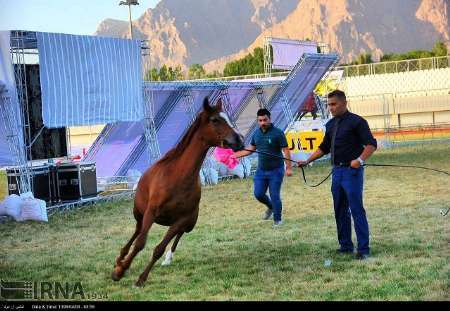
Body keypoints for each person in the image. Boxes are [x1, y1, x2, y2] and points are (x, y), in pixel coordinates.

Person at [298, 90, 377, 260]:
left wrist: (360, 160)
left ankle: (363, 249)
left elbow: (371, 144)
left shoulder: (357, 122)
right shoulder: (331, 125)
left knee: (356, 210)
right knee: (340, 210)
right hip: (337, 172)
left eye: (334, 104)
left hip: (352, 172)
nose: (330, 108)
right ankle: (345, 245)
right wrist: (307, 160)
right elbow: (323, 147)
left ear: (344, 103)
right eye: (329, 104)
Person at [232, 108, 292, 228]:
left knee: (275, 195)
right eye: (260, 120)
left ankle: (277, 220)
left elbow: (286, 150)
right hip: (261, 170)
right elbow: (251, 149)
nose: (262, 123)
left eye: (265, 120)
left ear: (270, 119)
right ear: (257, 121)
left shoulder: (278, 133)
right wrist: (234, 155)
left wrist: (289, 168)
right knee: (258, 194)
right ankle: (270, 207)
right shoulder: (256, 133)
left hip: (276, 170)